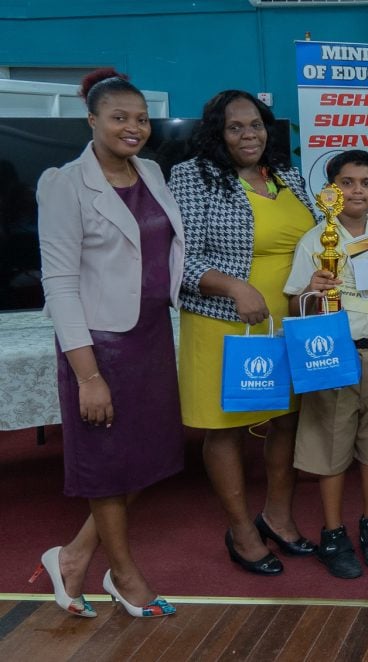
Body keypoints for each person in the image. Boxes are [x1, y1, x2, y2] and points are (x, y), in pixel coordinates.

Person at [31, 68, 181, 618]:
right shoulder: (63, 183)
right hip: (98, 345)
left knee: (141, 459)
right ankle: (123, 574)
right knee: (107, 464)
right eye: (119, 117)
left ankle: (72, 558)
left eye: (141, 119)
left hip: (151, 336)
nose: (133, 128)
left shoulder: (152, 171)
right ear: (91, 119)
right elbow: (61, 283)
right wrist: (88, 375)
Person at [169, 90, 317, 575]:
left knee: (287, 420)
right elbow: (181, 260)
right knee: (226, 428)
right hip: (222, 321)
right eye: (235, 127)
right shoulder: (193, 177)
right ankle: (242, 531)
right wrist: (234, 286)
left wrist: (367, 222)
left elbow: (323, 236)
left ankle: (277, 516)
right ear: (218, 132)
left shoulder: (289, 176)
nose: (248, 134)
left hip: (288, 321)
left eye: (255, 124)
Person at [282, 150, 368, 579]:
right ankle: (333, 533)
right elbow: (293, 303)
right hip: (331, 354)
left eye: (366, 182)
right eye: (347, 182)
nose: (357, 190)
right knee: (331, 447)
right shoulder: (315, 240)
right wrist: (312, 290)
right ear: (329, 191)